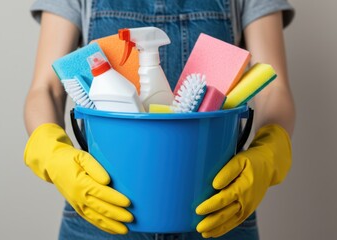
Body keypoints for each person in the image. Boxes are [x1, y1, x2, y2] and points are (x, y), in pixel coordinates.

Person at [23, 0, 295, 239]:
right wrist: (52, 152)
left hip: (217, 209)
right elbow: (46, 88)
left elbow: (273, 86)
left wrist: (269, 153)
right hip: (101, 206)